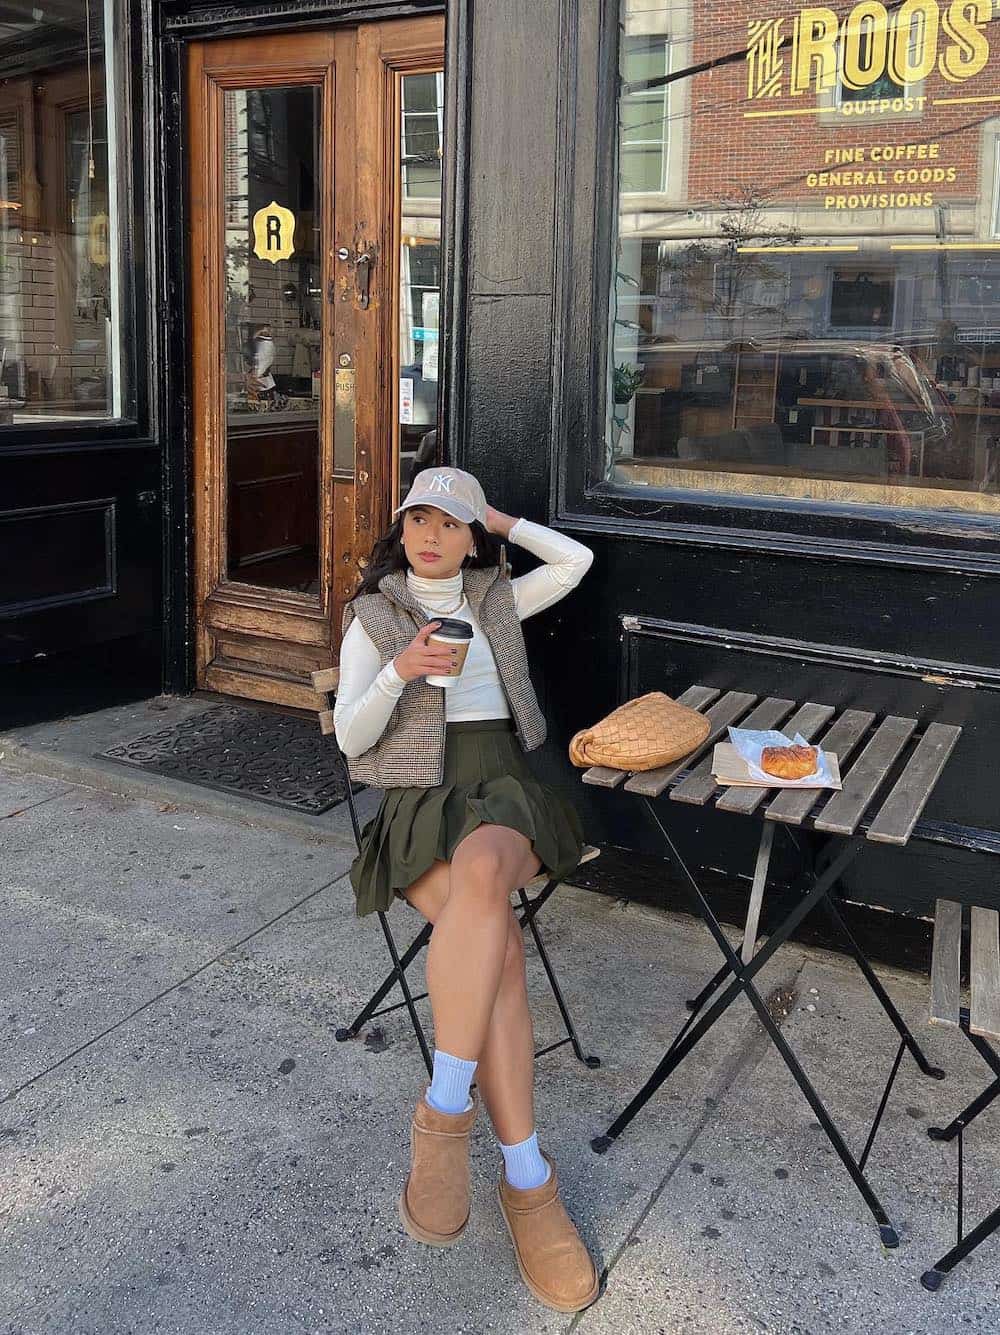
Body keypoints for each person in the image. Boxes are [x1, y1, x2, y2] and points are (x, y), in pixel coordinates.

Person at [334, 466, 598, 1313]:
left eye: (450, 522)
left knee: (487, 870)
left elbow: (575, 561)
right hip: (417, 799)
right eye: (418, 517)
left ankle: (444, 1112)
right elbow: (349, 737)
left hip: (502, 790)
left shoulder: (493, 598)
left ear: (471, 534)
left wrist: (502, 517)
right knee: (503, 953)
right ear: (401, 527)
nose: (431, 534)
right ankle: (528, 1180)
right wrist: (400, 670)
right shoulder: (376, 615)